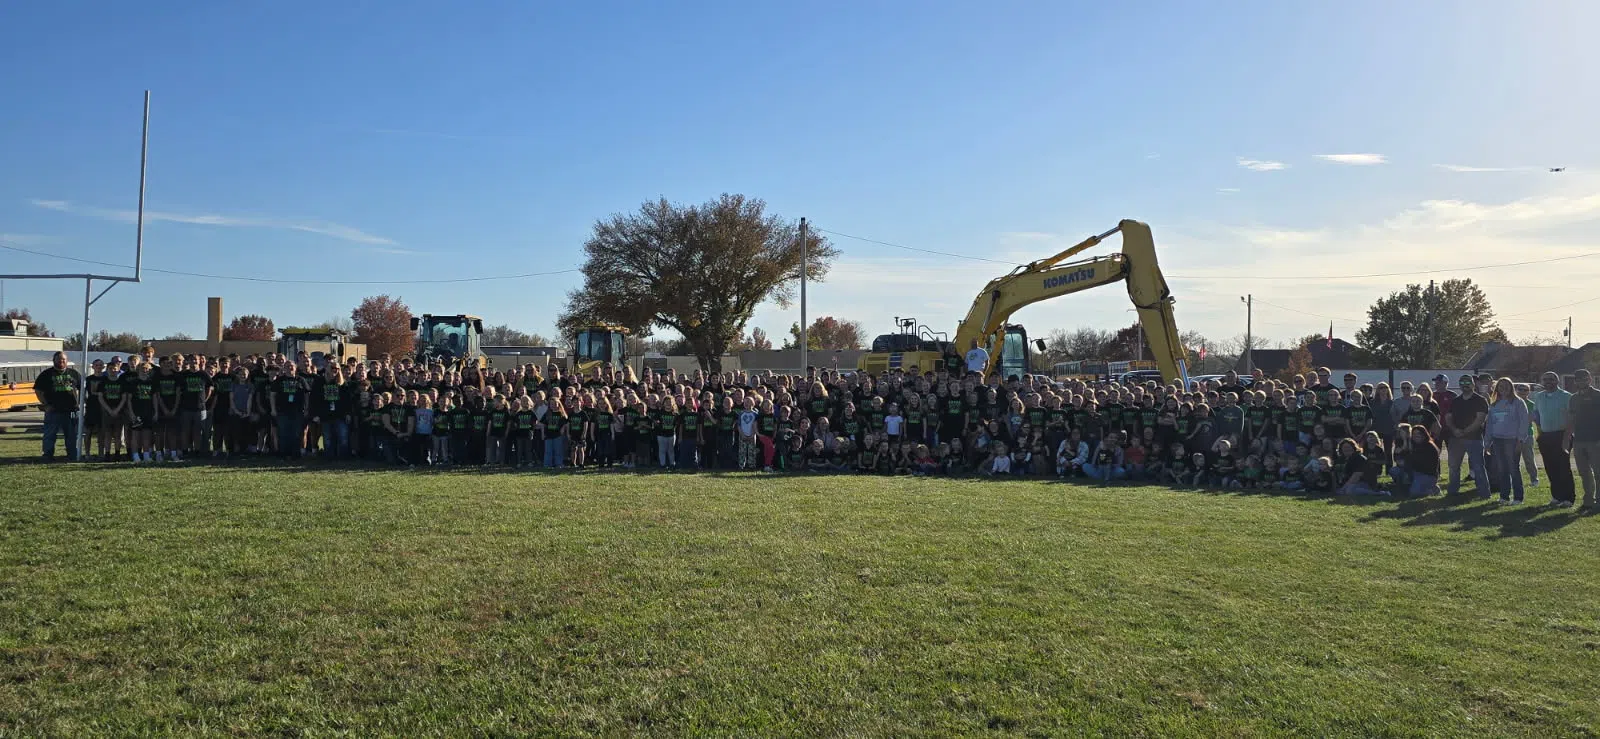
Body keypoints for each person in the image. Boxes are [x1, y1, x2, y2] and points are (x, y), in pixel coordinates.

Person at [1484, 377, 1530, 504]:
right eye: (1501, 386)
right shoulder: (1494, 405)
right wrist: (1487, 442)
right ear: (1497, 388)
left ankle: (1518, 497)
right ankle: (1504, 496)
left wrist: (1520, 440)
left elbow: (1524, 422)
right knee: (1502, 469)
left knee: (1513, 468)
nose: (1503, 388)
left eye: (1506, 386)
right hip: (1497, 440)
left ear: (1511, 387)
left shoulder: (1518, 402)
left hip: (1512, 440)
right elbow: (1490, 425)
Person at [1531, 372, 1574, 506]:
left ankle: (1568, 498)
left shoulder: (1567, 396)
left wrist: (1566, 438)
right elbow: (1536, 415)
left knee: (1563, 467)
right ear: (1542, 382)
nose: (1548, 381)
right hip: (1545, 436)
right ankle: (1557, 496)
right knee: (1550, 467)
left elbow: (1571, 419)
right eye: (1545, 380)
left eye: (1551, 379)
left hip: (1562, 435)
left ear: (1557, 381)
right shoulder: (1539, 397)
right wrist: (1539, 433)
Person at [1444, 374, 1489, 497]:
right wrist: (1454, 430)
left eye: (1467, 383)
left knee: (1478, 467)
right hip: (1455, 439)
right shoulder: (1456, 401)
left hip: (1474, 439)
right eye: (1462, 383)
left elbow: (1480, 419)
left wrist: (1464, 431)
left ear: (1473, 385)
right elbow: (1448, 417)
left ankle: (1484, 493)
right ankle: (1452, 492)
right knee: (1453, 467)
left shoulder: (1480, 400)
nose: (1465, 385)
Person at [34, 351, 82, 462]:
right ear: (54, 360)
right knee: (49, 435)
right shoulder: (46, 374)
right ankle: (47, 455)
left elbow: (83, 388)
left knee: (71, 436)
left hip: (71, 410)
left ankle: (72, 455)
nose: (61, 361)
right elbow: (38, 391)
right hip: (53, 410)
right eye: (59, 359)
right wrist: (45, 405)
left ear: (67, 361)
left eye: (63, 359)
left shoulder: (74, 373)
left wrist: (79, 403)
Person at [1569, 369, 1600, 509]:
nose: (1582, 381)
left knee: (1598, 471)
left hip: (1595, 440)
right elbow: (1571, 419)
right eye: (1579, 379)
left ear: (1590, 379)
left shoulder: (1598, 395)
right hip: (1579, 440)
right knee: (1584, 472)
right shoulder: (1573, 398)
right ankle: (1588, 499)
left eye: (1584, 378)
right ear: (1575, 381)